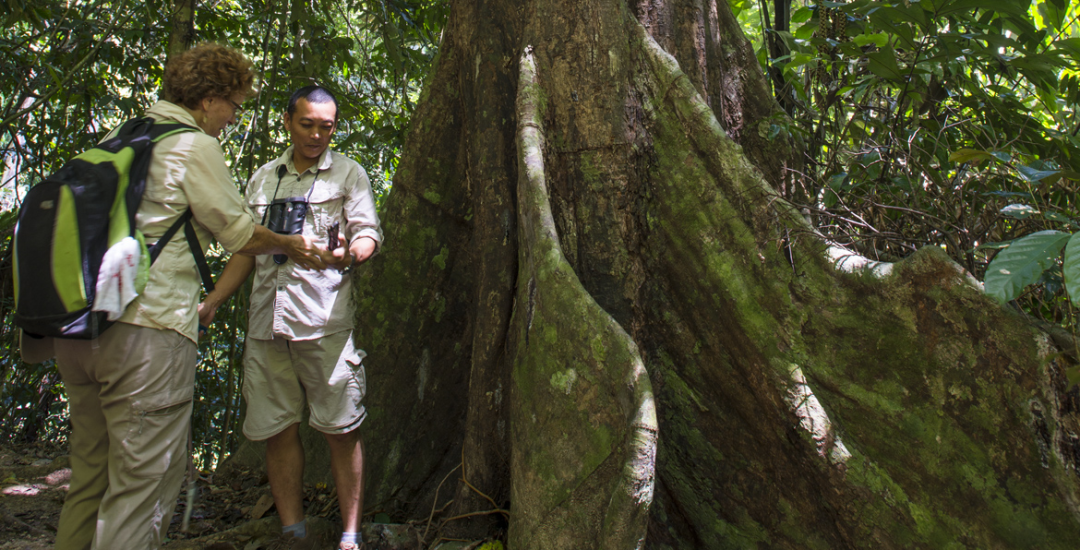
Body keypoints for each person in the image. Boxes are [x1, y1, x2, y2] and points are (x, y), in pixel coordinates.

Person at [45, 44, 334, 550]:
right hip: (147, 335)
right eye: (234, 106)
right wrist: (290, 243)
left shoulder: (121, 137)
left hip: (79, 328)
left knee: (90, 476)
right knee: (141, 486)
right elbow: (240, 232)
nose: (232, 118)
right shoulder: (192, 146)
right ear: (209, 100)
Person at [198, 85, 382, 550]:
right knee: (276, 428)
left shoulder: (348, 174)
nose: (317, 134)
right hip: (266, 325)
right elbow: (245, 249)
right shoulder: (263, 178)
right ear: (287, 121)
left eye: (327, 126)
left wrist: (349, 255)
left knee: (342, 429)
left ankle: (350, 536)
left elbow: (367, 235)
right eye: (308, 124)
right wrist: (214, 299)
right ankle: (292, 533)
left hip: (324, 323)